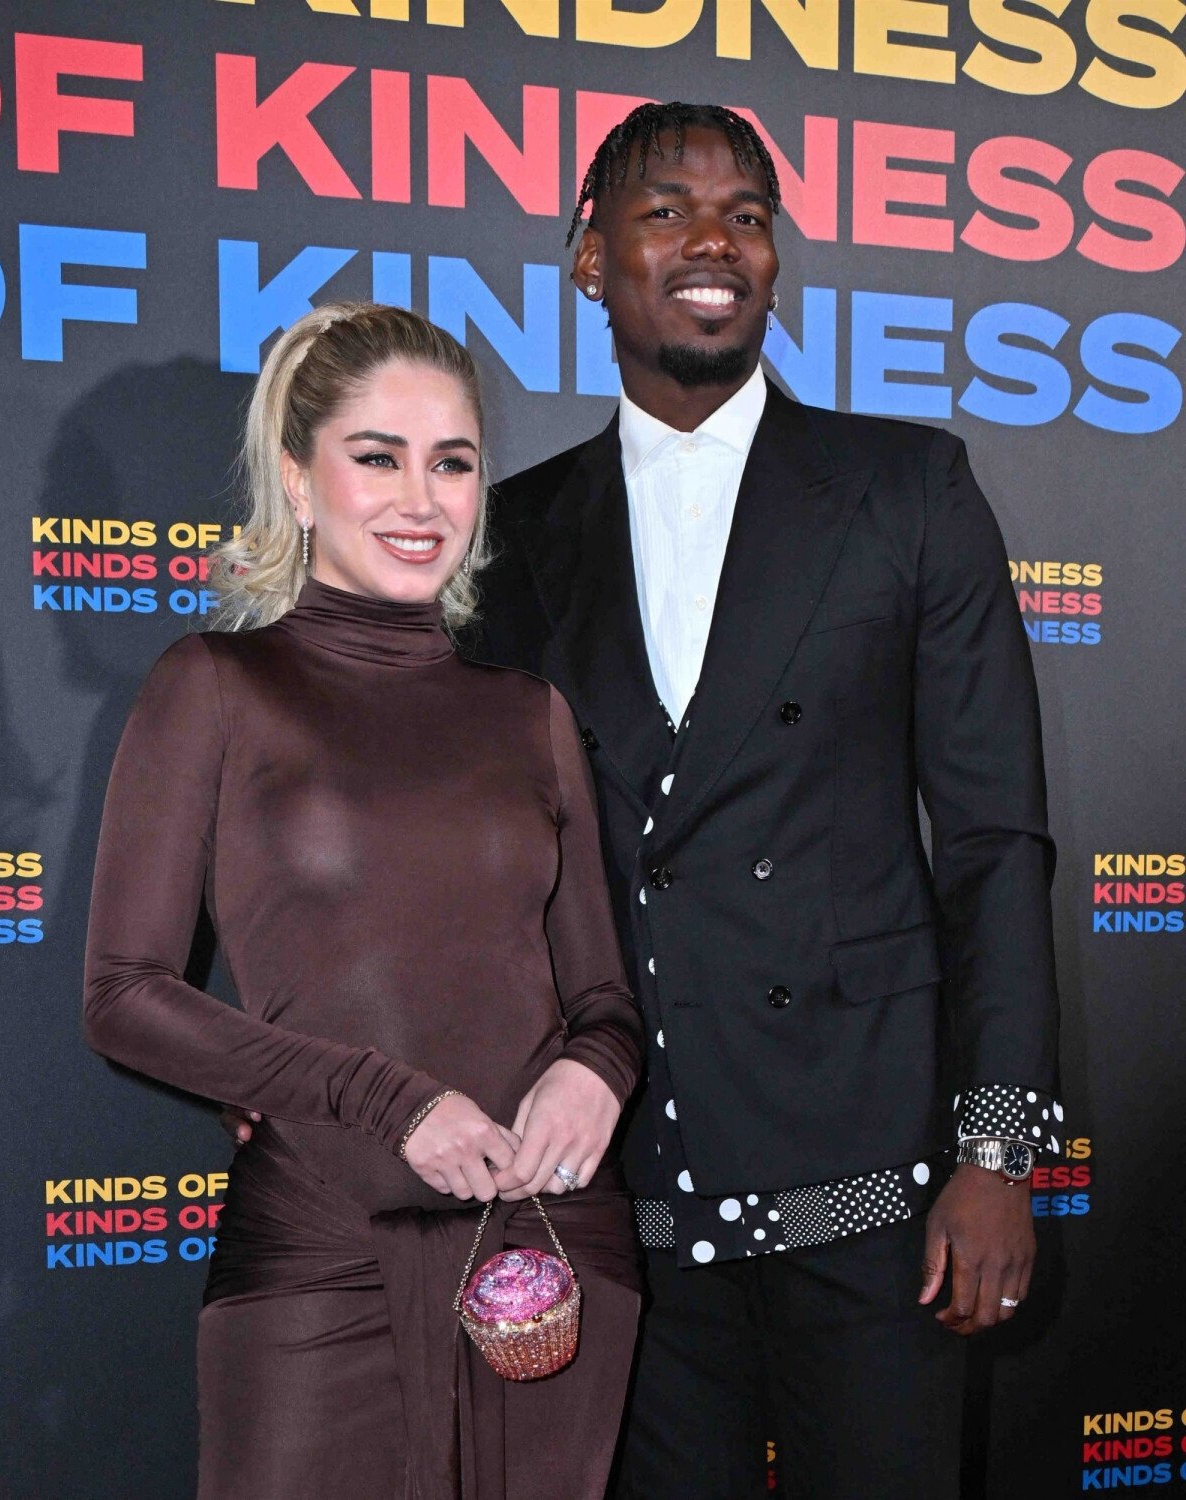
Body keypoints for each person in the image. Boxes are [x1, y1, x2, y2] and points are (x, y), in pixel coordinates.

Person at [473, 103, 1063, 1499]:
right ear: (586, 256)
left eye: (746, 213)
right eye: (667, 208)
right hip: (624, 1184)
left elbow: (992, 843)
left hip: (872, 1188)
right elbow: (462, 862)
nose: (713, 241)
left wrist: (999, 1154)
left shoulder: (906, 487)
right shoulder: (510, 531)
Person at [82, 303, 644, 1500]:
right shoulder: (216, 689)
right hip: (317, 1257)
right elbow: (125, 997)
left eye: (453, 463)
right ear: (297, 478)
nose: (421, 499)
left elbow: (603, 995)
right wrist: (388, 1099)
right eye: (376, 456)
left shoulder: (526, 713)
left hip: (544, 1256)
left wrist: (597, 1070)